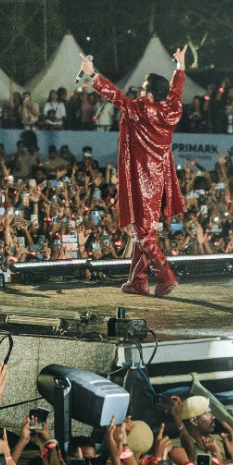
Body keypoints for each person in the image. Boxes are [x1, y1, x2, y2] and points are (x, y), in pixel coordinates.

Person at [79, 45, 188, 296]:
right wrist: (180, 67)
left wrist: (93, 74)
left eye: (142, 90)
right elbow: (176, 92)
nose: (139, 93)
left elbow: (117, 97)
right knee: (144, 231)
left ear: (149, 95)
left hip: (141, 178)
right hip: (159, 178)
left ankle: (166, 276)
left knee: (141, 232)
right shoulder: (173, 110)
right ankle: (138, 281)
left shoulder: (141, 110)